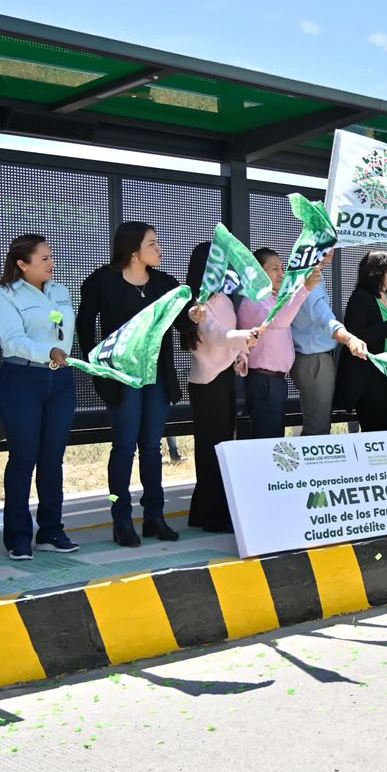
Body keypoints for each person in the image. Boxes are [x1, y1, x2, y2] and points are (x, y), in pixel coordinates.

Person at [78, 221, 189, 547]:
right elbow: (85, 327)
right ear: (132, 250)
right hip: (122, 379)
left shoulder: (165, 283)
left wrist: (193, 315)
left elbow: (181, 322)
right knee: (124, 447)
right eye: (153, 244)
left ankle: (154, 517)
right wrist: (99, 368)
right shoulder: (103, 281)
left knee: (152, 448)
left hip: (156, 379)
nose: (160, 249)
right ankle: (121, 519)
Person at [0, 235, 78, 560]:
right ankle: (17, 536)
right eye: (44, 258)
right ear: (22, 264)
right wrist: (47, 352)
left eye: (51, 256)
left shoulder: (60, 291)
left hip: (61, 380)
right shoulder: (3, 295)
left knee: (52, 459)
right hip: (22, 379)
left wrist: (58, 354)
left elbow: (64, 332)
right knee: (24, 458)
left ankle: (52, 530)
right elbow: (13, 341)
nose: (51, 263)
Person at [180, 241, 263, 534]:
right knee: (211, 448)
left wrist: (240, 354)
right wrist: (245, 337)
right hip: (208, 382)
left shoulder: (223, 299)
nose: (226, 269)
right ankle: (212, 515)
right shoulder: (197, 303)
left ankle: (204, 511)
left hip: (224, 378)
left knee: (220, 445)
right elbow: (216, 335)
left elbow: (228, 338)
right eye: (220, 263)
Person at [287, 248, 370, 436]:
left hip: (315, 358)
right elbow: (326, 320)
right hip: (314, 360)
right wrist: (350, 338)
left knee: (319, 425)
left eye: (332, 244)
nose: (331, 250)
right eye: (324, 243)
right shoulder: (307, 277)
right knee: (317, 428)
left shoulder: (312, 276)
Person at [237, 247, 318, 438]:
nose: (281, 273)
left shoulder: (272, 299)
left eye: (282, 268)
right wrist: (305, 288)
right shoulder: (253, 300)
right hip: (263, 381)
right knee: (267, 439)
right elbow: (280, 320)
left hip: (275, 381)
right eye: (275, 269)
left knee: (273, 438)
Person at [336, 251, 387, 432]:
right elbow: (357, 335)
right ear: (378, 272)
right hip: (369, 375)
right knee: (375, 427)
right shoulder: (360, 298)